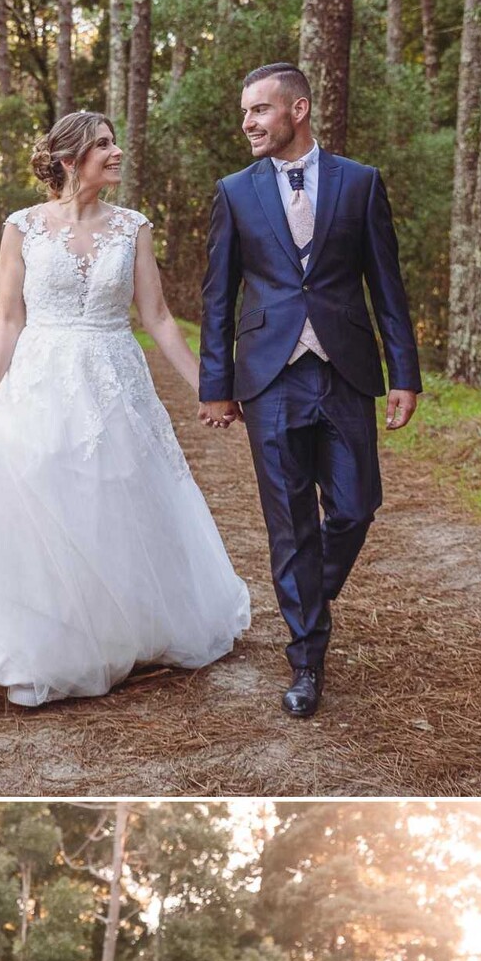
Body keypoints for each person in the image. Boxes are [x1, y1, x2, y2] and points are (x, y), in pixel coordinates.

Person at [0, 113, 249, 710]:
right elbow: (9, 316)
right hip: (40, 377)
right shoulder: (22, 227)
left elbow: (159, 317)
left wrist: (207, 385)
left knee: (117, 500)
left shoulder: (133, 227)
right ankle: (47, 635)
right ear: (69, 160)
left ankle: (120, 627)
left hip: (115, 377)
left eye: (115, 143)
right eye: (103, 146)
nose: (117, 153)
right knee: (39, 500)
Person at [198, 64, 421, 720]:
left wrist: (403, 373)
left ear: (298, 109)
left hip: (344, 368)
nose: (249, 123)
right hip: (269, 375)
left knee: (355, 507)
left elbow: (387, 286)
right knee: (289, 522)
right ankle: (306, 660)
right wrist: (217, 383)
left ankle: (304, 598)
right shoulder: (235, 193)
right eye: (245, 113)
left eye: (261, 110)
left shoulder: (361, 183)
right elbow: (218, 297)